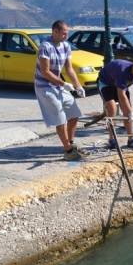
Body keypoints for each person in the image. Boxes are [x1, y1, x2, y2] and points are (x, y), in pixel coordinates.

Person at [34, 20, 87, 161]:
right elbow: (45, 72)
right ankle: (68, 151)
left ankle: (70, 142)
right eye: (64, 33)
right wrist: (64, 84)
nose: (66, 36)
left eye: (67, 33)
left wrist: (78, 86)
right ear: (55, 31)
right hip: (44, 86)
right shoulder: (45, 47)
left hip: (58, 85)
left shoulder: (66, 45)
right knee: (60, 119)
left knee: (74, 113)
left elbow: (69, 68)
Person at [97, 58, 133, 149]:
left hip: (120, 85)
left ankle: (131, 139)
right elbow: (121, 94)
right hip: (106, 83)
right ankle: (112, 139)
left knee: (127, 111)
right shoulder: (123, 71)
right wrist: (131, 112)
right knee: (112, 109)